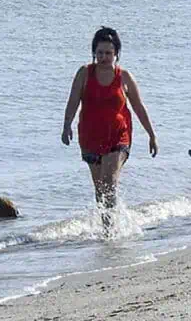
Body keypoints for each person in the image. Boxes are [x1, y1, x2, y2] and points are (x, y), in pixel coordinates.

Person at [62, 27, 158, 232]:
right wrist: (66, 125)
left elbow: (139, 107)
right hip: (90, 137)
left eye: (108, 53)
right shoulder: (84, 73)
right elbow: (73, 101)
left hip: (118, 136)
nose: (103, 57)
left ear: (116, 54)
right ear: (93, 53)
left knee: (109, 182)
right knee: (100, 190)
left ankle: (114, 230)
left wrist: (151, 134)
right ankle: (107, 230)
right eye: (99, 53)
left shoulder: (124, 77)